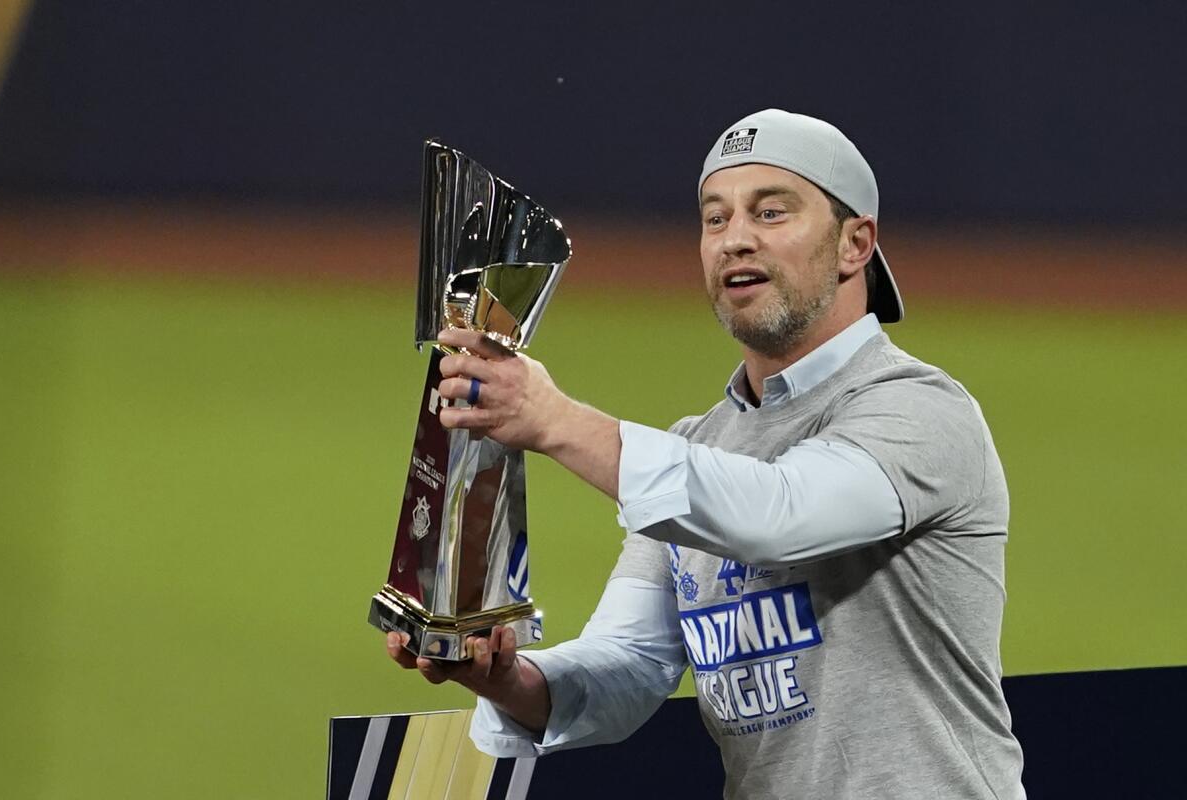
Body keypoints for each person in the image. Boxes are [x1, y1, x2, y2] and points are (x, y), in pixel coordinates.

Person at [385, 109, 1026, 799]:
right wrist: (503, 676)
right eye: (715, 219)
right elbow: (627, 666)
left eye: (771, 212)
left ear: (854, 243)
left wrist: (553, 420)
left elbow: (782, 517)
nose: (735, 239)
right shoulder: (699, 445)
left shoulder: (919, 410)